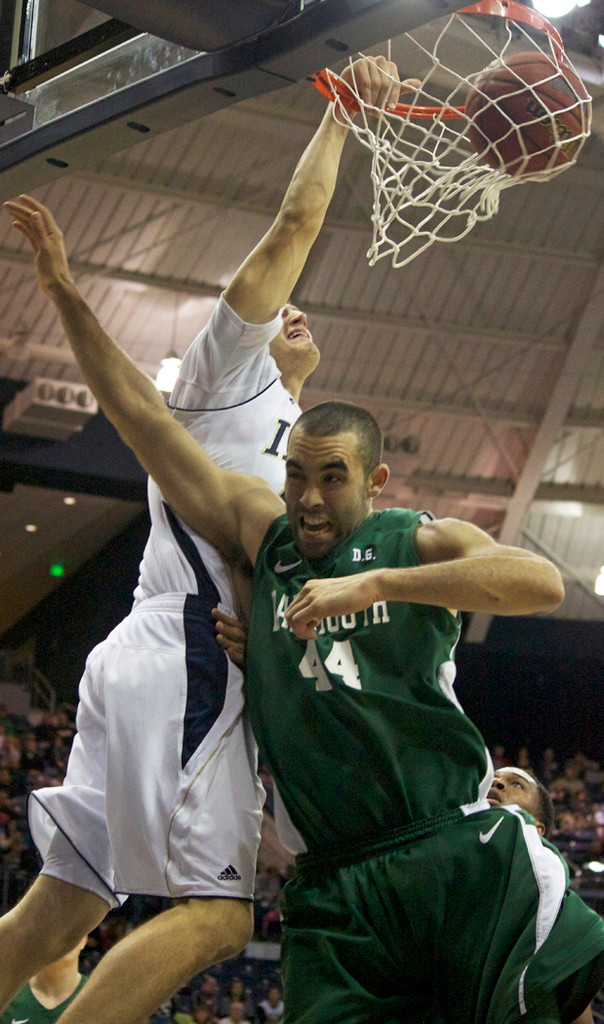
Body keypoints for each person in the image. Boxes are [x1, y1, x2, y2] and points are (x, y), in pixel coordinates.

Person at [0, 56, 410, 1024]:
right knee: (219, 921)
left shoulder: (297, 444)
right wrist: (344, 118)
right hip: (188, 649)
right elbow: (297, 224)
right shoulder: (224, 377)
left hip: (163, 650)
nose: (290, 309)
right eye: (274, 311)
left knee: (63, 907)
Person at [0, 936, 88, 1024]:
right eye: (54, 932)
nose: (64, 939)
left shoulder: (92, 997)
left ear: (84, 940)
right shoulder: (7, 991)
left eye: (73, 932)